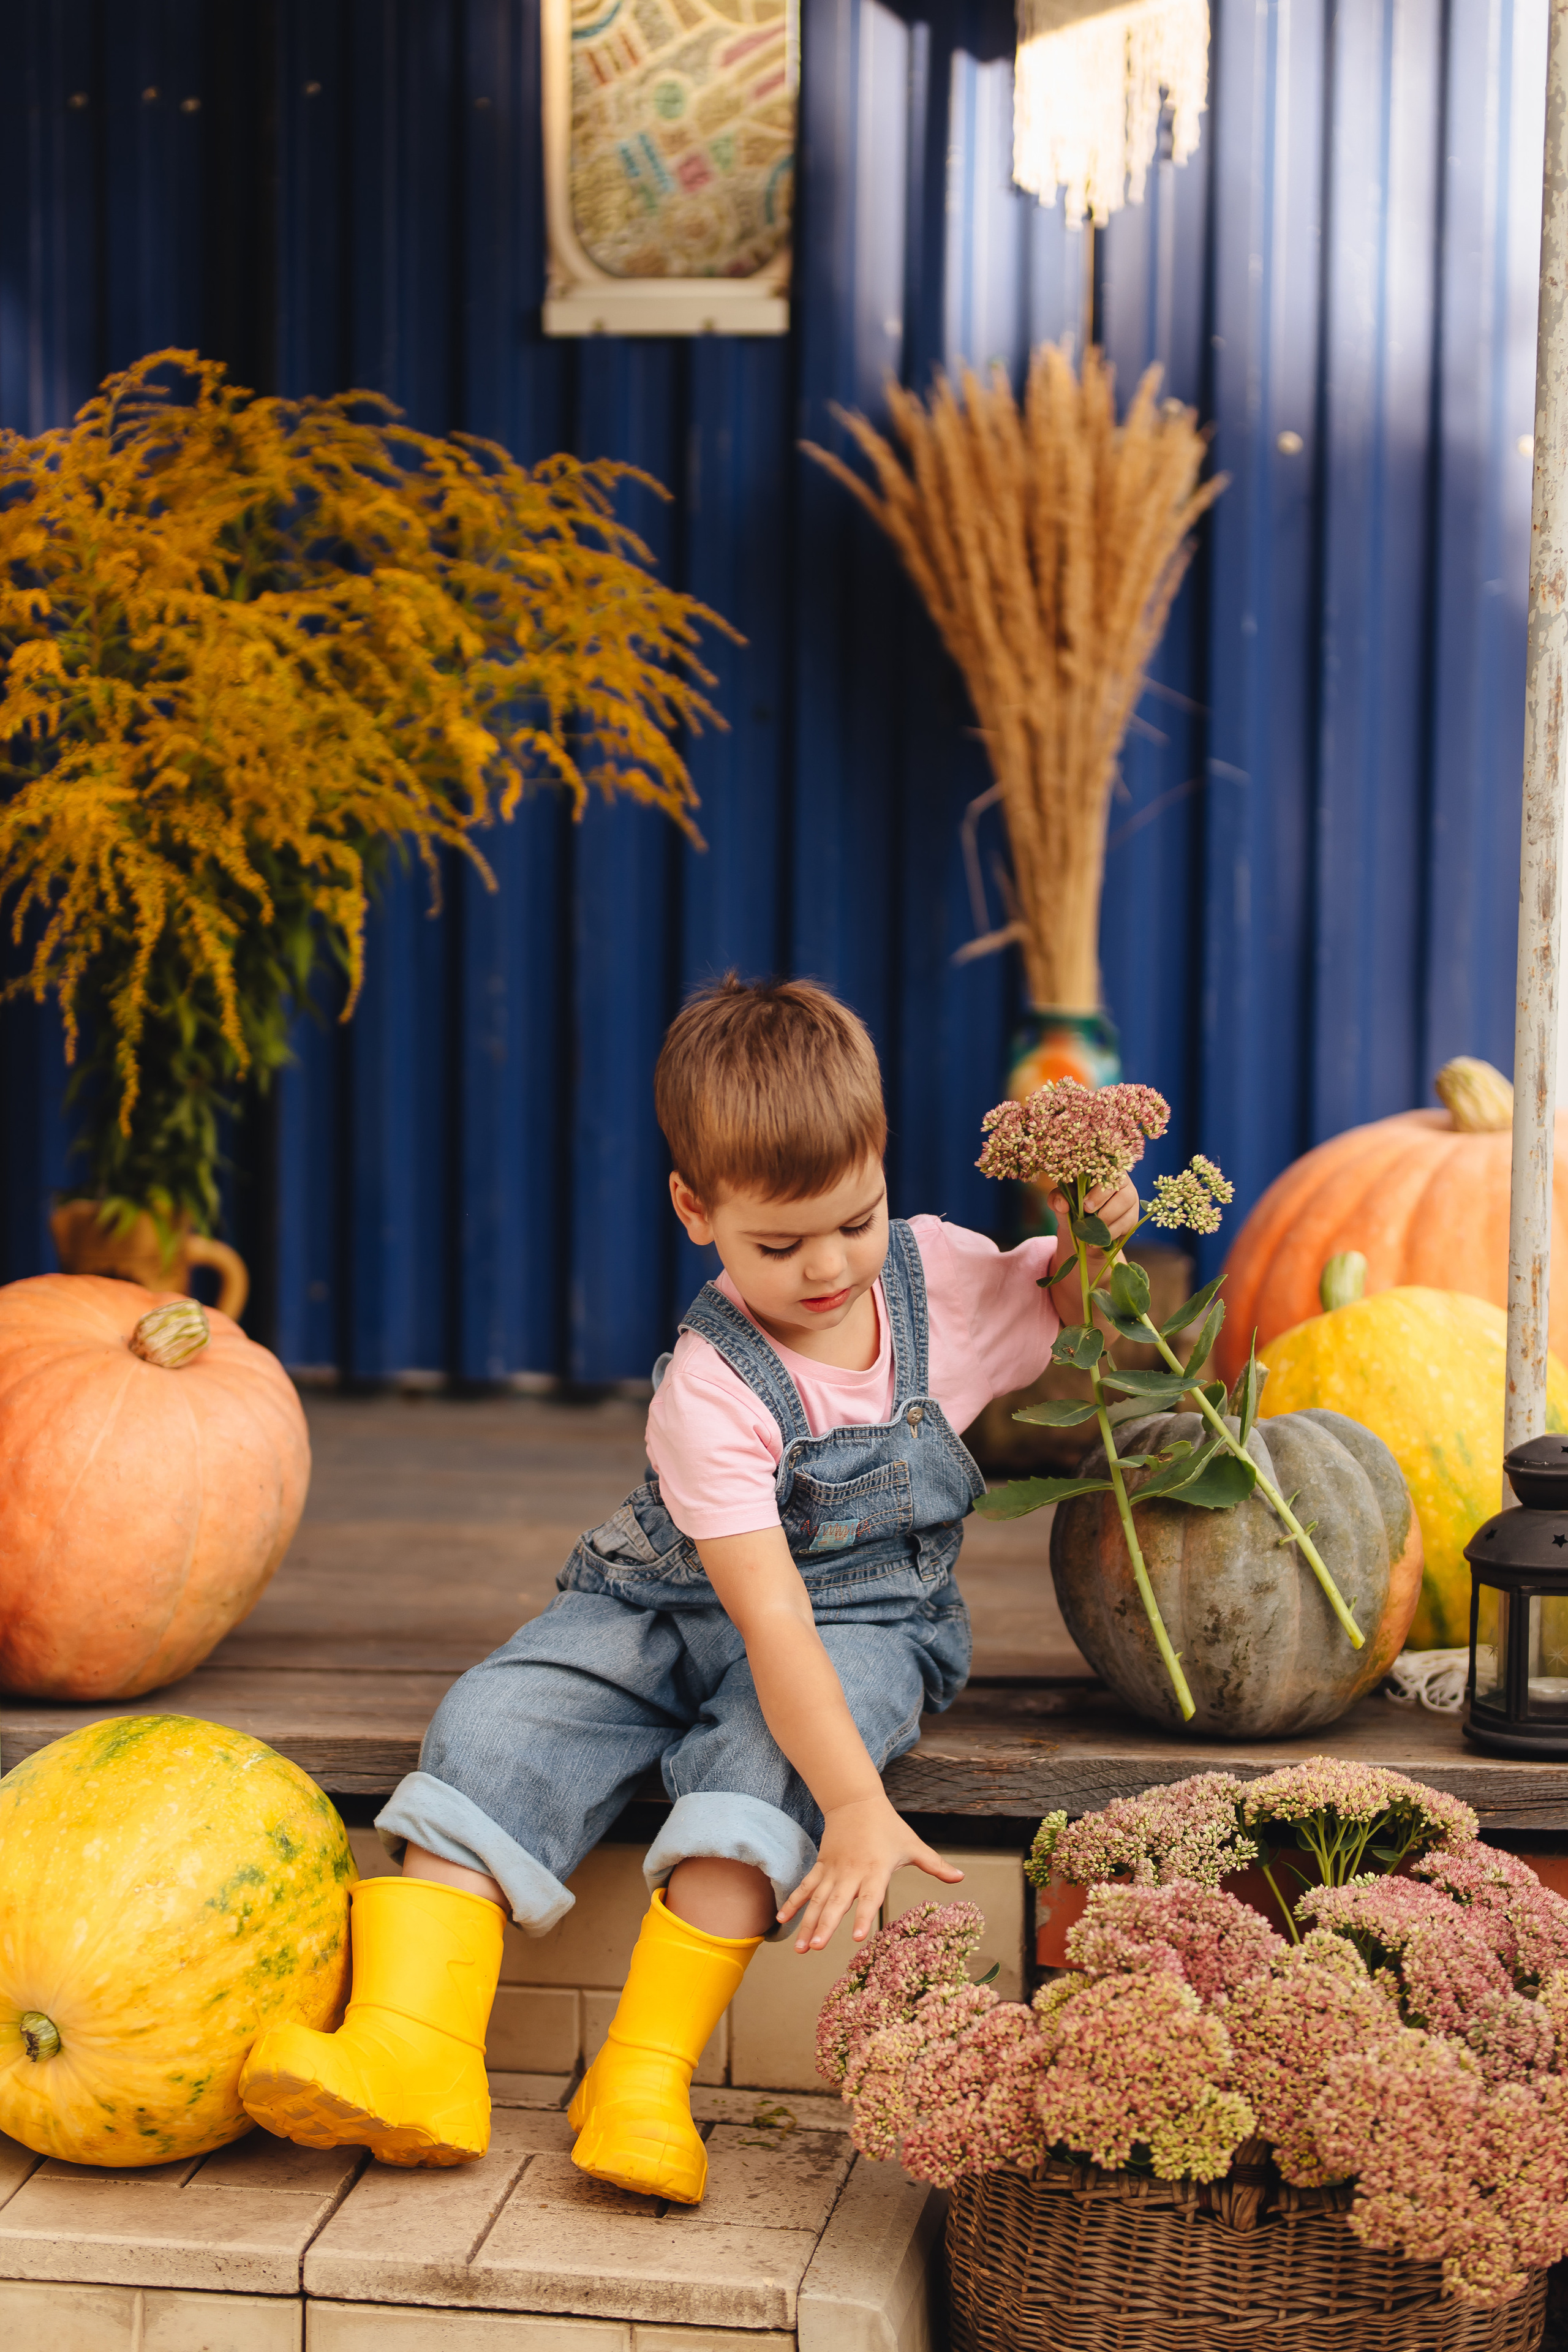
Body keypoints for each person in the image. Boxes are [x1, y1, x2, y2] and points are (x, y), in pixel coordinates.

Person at [239, 974, 1137, 2198]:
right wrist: (859, 1800)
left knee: (757, 1776)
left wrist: (1098, 1231)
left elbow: (1073, 1316)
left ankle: (641, 2075)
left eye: (854, 1220)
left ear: (883, 1170)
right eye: (778, 1243)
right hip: (666, 1606)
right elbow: (765, 1620)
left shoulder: (939, 1276)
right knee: (501, 1720)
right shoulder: (711, 1391)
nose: (827, 1266)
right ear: (693, 1210)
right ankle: (412, 2047)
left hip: (870, 1624)